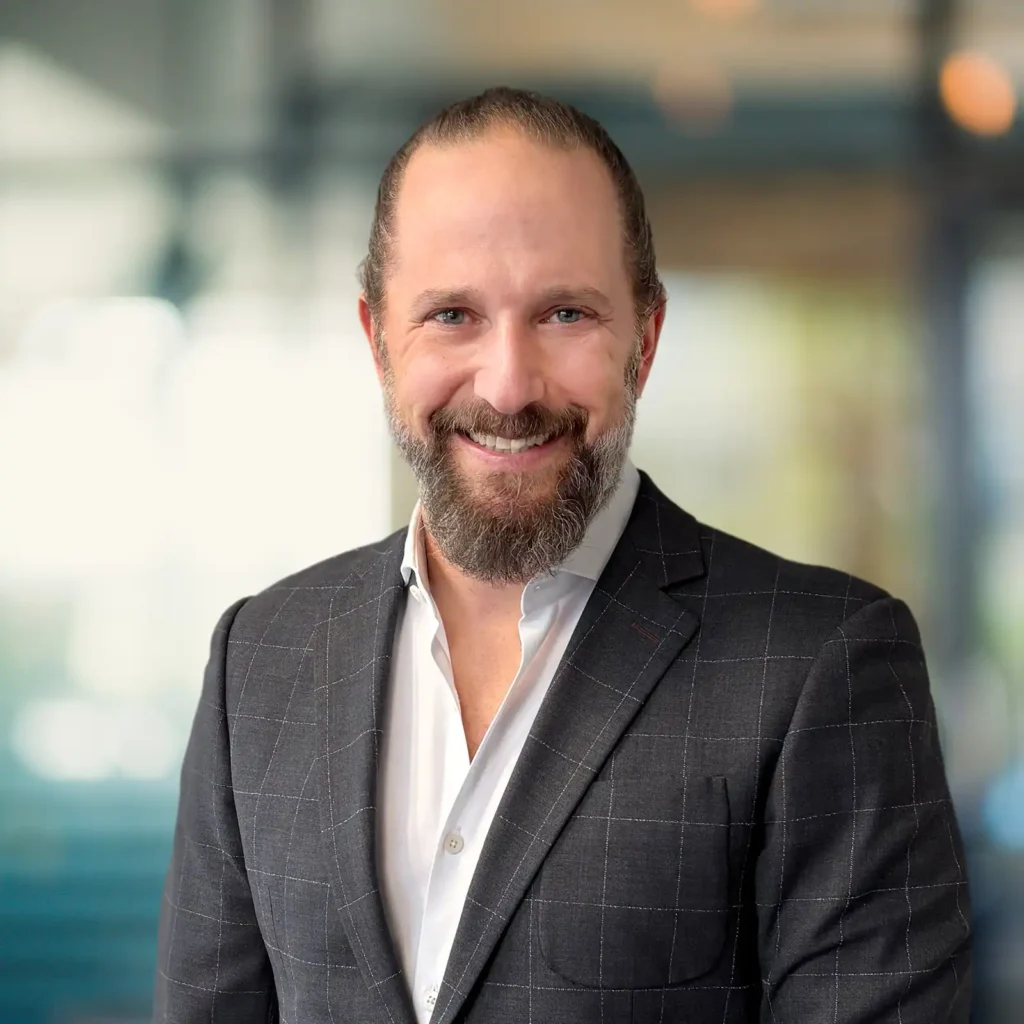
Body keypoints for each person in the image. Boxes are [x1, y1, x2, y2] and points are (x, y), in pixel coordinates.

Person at [154, 87, 972, 1024]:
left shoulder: (822, 664)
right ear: (379, 341)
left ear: (645, 340)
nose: (507, 387)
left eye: (566, 315)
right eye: (452, 314)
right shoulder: (261, 657)